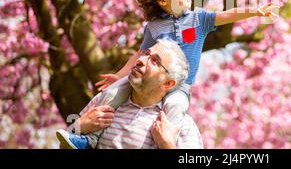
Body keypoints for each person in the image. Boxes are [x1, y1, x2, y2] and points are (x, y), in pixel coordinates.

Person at [56, 0, 279, 149]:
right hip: (146, 81)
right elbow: (141, 54)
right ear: (163, 0)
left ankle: (167, 140)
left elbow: (226, 15)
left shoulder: (198, 19)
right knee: (111, 93)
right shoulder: (154, 26)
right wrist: (120, 76)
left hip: (180, 86)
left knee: (176, 107)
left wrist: (255, 11)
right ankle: (87, 140)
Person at [57, 39, 203, 149]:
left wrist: (167, 145)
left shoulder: (181, 125)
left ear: (167, 83)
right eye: (146, 54)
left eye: (154, 61)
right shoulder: (106, 101)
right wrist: (79, 126)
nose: (140, 60)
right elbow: (65, 145)